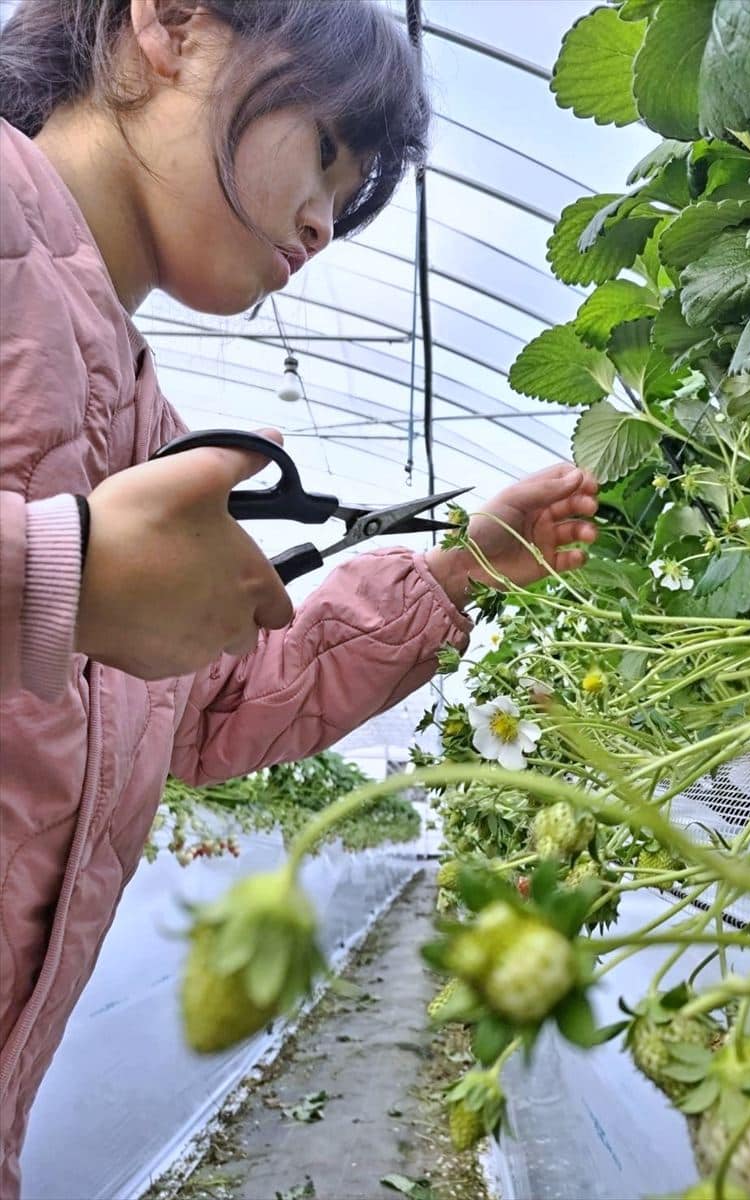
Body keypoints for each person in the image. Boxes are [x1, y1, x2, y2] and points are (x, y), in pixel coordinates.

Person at [0, 1, 598, 1192]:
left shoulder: (139, 418)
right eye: (328, 152)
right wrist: (50, 572)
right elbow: (62, 583)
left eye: (357, 194)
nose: (326, 222)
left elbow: (210, 702)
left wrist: (452, 573)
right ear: (168, 24)